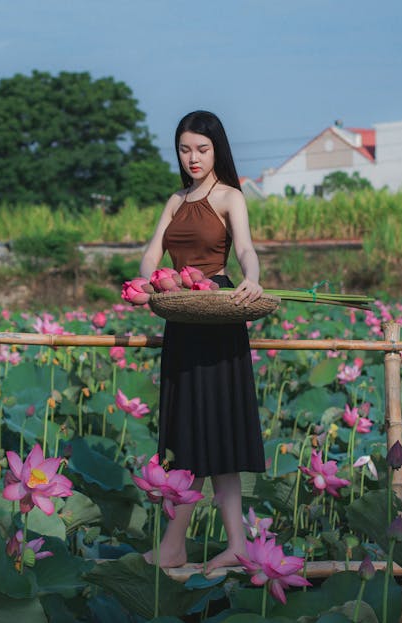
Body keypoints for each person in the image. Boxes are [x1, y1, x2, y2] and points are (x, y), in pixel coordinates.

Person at [139, 110, 266, 573]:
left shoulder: (230, 196)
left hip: (218, 312)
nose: (192, 158)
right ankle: (232, 543)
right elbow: (153, 250)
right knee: (189, 428)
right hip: (180, 314)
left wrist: (251, 280)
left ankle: (179, 544)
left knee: (213, 428)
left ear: (217, 150)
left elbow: (247, 248)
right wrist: (146, 283)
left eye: (202, 149)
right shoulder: (175, 199)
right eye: (184, 149)